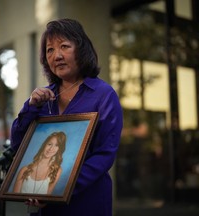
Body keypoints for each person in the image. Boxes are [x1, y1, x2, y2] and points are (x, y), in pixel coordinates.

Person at [10, 18, 123, 216]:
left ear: (81, 49)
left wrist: (57, 188)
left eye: (64, 46)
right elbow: (18, 147)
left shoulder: (103, 95)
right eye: (50, 50)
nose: (57, 56)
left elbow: (104, 155)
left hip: (87, 202)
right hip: (45, 205)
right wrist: (30, 107)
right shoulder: (41, 98)